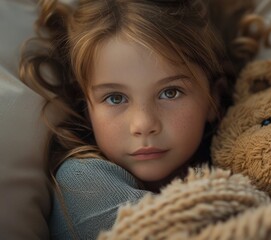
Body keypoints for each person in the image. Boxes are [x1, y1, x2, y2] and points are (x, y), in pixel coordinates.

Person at [19, 0, 233, 239]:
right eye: (115, 98)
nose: (143, 125)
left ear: (213, 98)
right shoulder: (82, 181)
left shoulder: (239, 159)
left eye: (170, 92)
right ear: (87, 107)